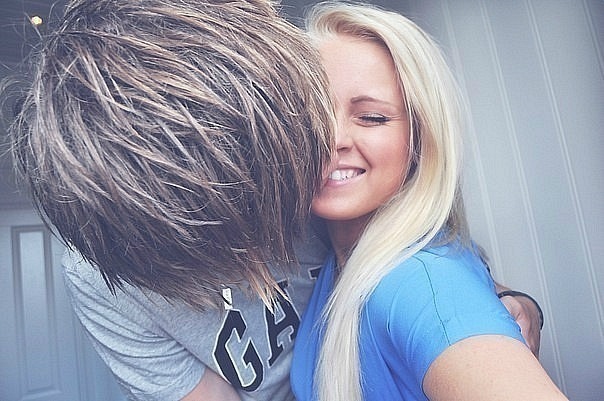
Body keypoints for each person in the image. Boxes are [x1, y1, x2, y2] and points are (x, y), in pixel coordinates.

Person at [7, 0, 543, 400]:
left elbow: (429, 280)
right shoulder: (104, 276)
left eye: (253, 195)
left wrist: (505, 304)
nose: (328, 143)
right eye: (201, 223)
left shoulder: (311, 177)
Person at [290, 2, 566, 401]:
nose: (332, 138)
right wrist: (520, 301)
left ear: (421, 139)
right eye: (310, 115)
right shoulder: (334, 255)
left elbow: (438, 298)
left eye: (371, 117)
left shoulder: (419, 282)